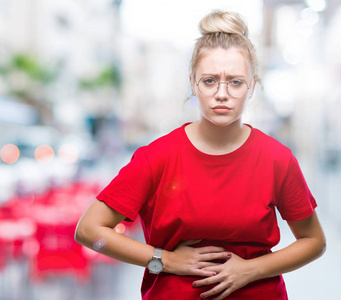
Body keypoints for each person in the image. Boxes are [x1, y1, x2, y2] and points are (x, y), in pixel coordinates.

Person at [75, 10, 326, 300]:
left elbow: (314, 241)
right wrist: (164, 260)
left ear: (252, 86)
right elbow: (89, 231)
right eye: (209, 81)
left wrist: (252, 269)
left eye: (235, 81)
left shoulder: (277, 159)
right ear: (193, 83)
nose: (222, 93)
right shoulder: (156, 157)